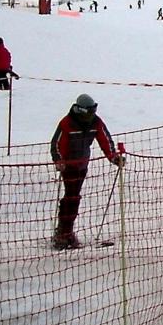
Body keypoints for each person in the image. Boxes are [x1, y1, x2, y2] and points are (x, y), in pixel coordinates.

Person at [49, 94, 122, 250]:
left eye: (93, 111)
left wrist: (113, 157)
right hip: (68, 166)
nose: (91, 115)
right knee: (72, 197)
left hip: (82, 164)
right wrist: (59, 160)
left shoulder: (95, 122)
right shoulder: (67, 123)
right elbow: (56, 144)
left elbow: (104, 139)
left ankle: (64, 231)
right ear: (80, 110)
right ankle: (64, 232)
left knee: (72, 197)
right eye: (89, 112)